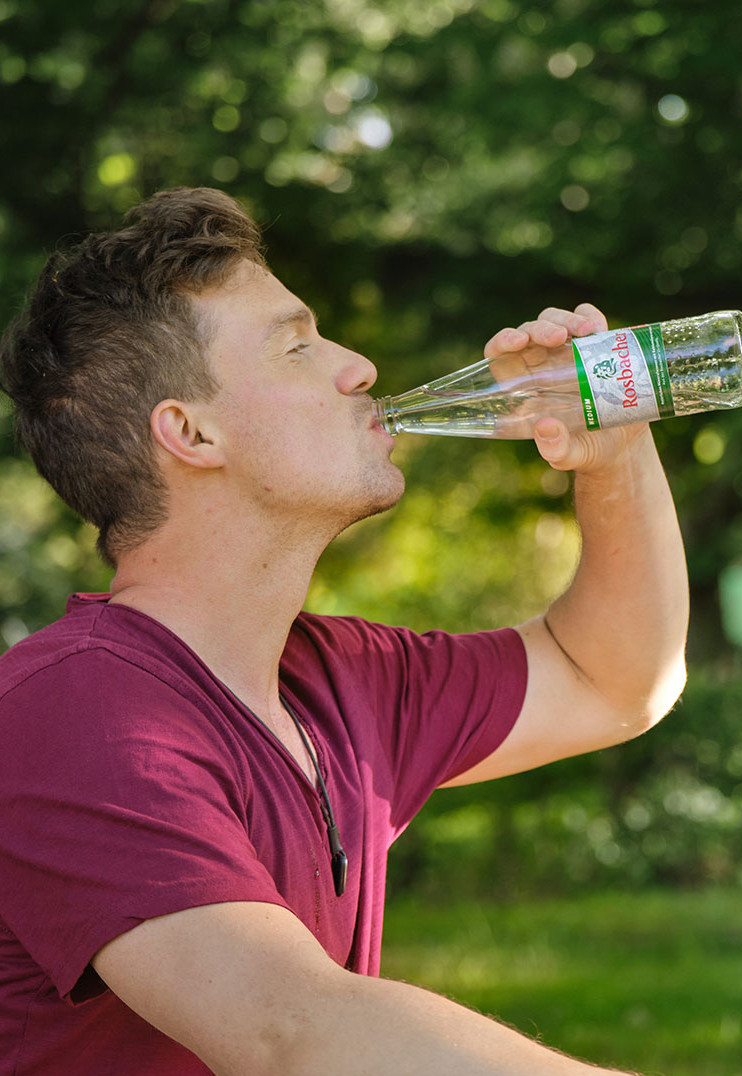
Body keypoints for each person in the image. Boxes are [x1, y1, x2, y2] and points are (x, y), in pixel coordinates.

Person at [0, 187, 688, 1076]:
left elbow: (615, 678)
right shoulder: (77, 707)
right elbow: (289, 1029)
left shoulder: (337, 677)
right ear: (190, 432)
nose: (358, 366)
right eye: (297, 346)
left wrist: (612, 446)